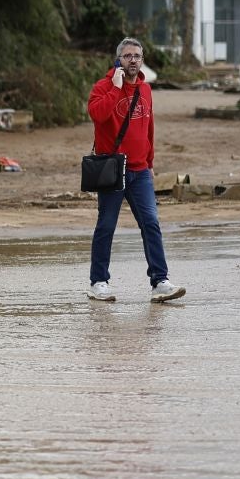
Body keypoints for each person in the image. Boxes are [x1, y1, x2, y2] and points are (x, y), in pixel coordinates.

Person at [87, 37, 184, 303]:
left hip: (140, 169)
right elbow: (98, 116)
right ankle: (98, 282)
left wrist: (150, 162)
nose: (133, 60)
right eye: (128, 56)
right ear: (118, 59)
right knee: (106, 225)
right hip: (112, 168)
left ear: (142, 60)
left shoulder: (146, 90)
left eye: (137, 56)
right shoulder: (102, 87)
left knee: (151, 223)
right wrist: (116, 89)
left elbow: (149, 128)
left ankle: (160, 281)